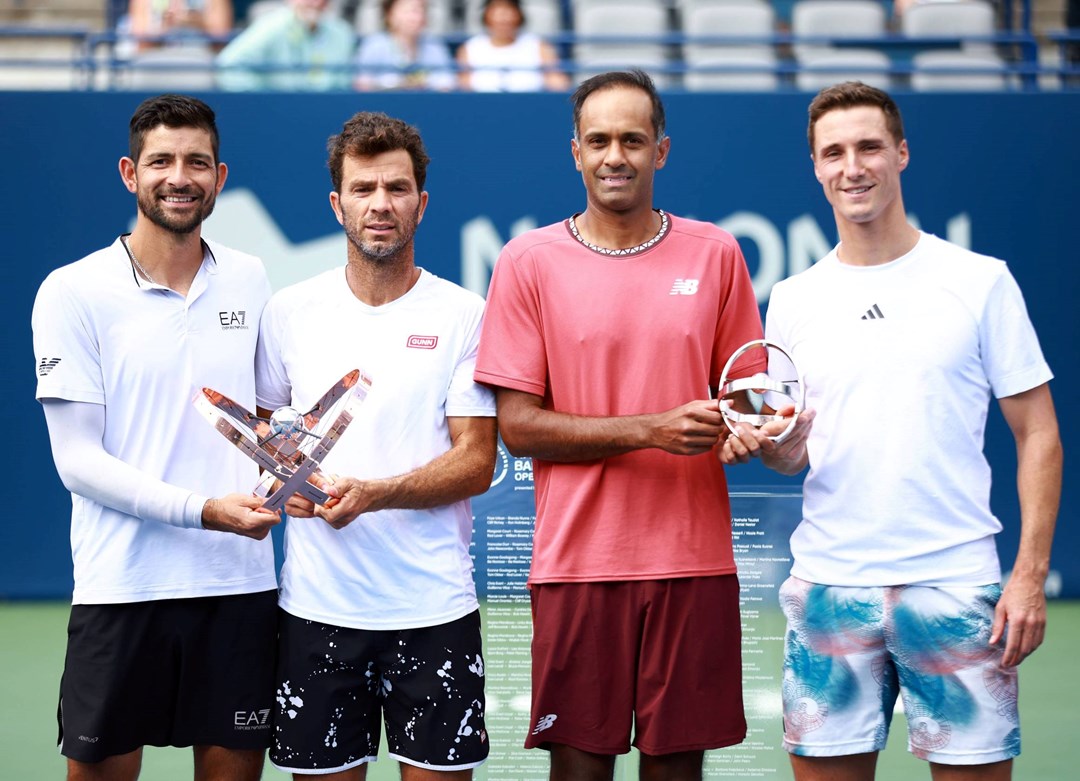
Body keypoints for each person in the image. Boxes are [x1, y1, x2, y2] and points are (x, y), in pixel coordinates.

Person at [720, 81, 1063, 781]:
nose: (854, 166)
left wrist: (1026, 576)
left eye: (869, 146)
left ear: (901, 154)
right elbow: (793, 454)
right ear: (816, 167)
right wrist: (782, 447)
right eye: (834, 152)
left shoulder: (980, 281)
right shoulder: (792, 300)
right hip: (828, 588)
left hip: (954, 584)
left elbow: (1040, 435)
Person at [474, 69, 763, 781]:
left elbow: (747, 395)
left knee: (677, 772)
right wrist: (650, 428)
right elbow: (517, 426)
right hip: (577, 566)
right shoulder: (526, 262)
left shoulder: (716, 253)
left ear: (660, 151)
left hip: (693, 563)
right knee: (578, 771)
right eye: (598, 140)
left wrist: (755, 427)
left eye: (632, 139)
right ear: (575, 151)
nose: (615, 155)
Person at [31, 94, 280, 781]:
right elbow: (77, 459)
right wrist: (204, 510)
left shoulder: (252, 278)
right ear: (128, 173)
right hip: (123, 587)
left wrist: (294, 471)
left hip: (238, 588)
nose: (180, 176)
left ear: (220, 176)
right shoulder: (71, 291)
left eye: (197, 161)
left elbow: (264, 420)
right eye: (161, 160)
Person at [257, 111, 496, 779]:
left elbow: (476, 461)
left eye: (396, 188)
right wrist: (285, 482)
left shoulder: (464, 314)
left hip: (435, 611)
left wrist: (375, 493)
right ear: (338, 204)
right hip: (315, 613)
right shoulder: (289, 312)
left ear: (422, 201)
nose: (380, 204)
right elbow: (267, 432)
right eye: (363, 189)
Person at [216, 0, 355, 91]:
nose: (316, 3)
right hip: (276, 112)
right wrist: (264, 96)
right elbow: (228, 64)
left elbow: (344, 83)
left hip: (324, 111)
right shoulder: (271, 25)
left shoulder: (342, 32)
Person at [456, 0, 568, 92]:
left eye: (509, 12)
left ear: (519, 16)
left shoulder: (539, 46)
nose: (504, 19)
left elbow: (557, 82)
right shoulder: (470, 48)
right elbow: (464, 86)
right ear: (486, 16)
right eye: (497, 13)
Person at [354, 0, 455, 91]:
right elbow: (362, 84)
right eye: (408, 11)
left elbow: (447, 84)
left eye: (420, 10)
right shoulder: (374, 45)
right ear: (389, 14)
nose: (416, 17)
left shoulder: (434, 46)